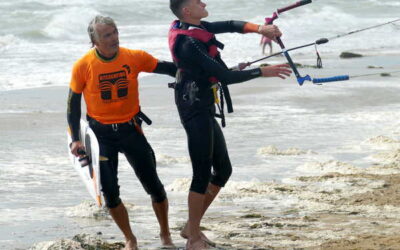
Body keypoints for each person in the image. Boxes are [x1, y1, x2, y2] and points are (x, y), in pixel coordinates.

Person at [168, 0, 292, 249]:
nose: (204, 2)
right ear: (186, 11)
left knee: (223, 170)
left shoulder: (197, 27)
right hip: (193, 108)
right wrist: (260, 71)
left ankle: (190, 227)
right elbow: (224, 76)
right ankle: (193, 238)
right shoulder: (187, 42)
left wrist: (261, 29)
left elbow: (230, 25)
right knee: (201, 173)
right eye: (197, 1)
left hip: (204, 103)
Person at [67, 15, 177, 250]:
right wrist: (76, 139)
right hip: (100, 136)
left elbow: (168, 68)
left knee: (154, 186)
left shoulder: (134, 57)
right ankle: (130, 238)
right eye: (107, 35)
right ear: (94, 40)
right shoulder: (83, 65)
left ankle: (165, 234)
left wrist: (199, 70)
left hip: (130, 130)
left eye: (115, 32)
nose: (114, 38)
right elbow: (72, 105)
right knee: (110, 194)